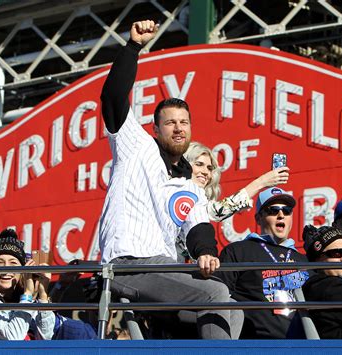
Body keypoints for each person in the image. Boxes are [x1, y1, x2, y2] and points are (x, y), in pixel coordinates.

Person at [98, 19, 241, 339]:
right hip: (126, 263)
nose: (178, 128)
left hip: (163, 266)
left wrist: (206, 250)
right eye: (170, 122)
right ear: (155, 129)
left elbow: (199, 226)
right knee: (215, 296)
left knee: (231, 302)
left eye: (184, 122)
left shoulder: (188, 181)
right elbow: (113, 97)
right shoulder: (136, 145)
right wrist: (133, 48)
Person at [215, 187, 310, 338]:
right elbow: (218, 298)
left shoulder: (304, 260)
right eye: (273, 210)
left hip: (301, 344)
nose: (281, 215)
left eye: (286, 211)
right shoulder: (238, 251)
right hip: (256, 343)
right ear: (258, 218)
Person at [184, 142, 290, 222]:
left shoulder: (201, 201)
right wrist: (262, 182)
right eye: (199, 164)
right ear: (184, 164)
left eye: (209, 168)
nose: (206, 172)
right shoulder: (172, 191)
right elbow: (217, 210)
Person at [0, 229, 55, 340]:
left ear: (22, 270)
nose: (6, 270)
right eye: (0, 263)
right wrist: (28, 294)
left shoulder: (26, 300)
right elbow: (13, 337)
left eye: (13, 263)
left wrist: (43, 295)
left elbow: (46, 338)